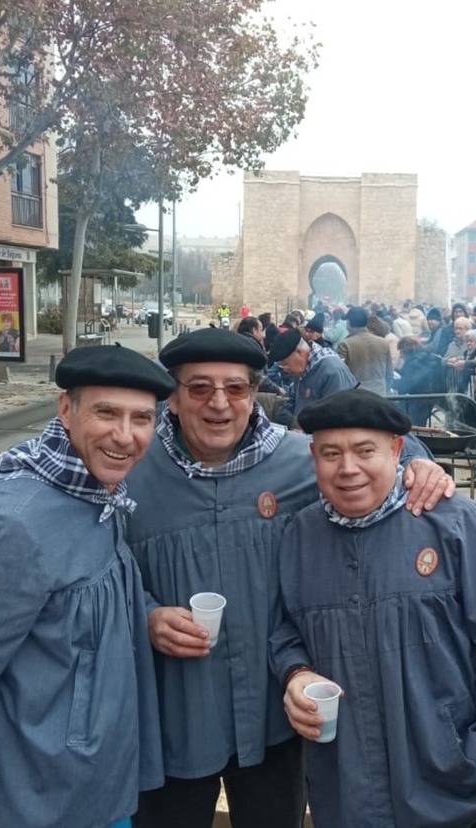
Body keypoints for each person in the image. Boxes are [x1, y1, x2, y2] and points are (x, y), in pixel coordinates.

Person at [124, 330, 454, 828]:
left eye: (235, 388)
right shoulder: (130, 474)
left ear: (254, 393)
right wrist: (146, 615)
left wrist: (424, 468)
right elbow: (100, 570)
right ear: (172, 396)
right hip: (177, 716)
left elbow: (378, 456)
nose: (219, 404)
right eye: (199, 388)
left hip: (277, 711)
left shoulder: (300, 460)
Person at [0, 345, 172, 828]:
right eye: (106, 412)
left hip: (92, 792)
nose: (125, 436)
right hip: (32, 805)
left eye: (142, 418)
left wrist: (146, 611)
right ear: (65, 410)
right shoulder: (11, 529)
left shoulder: (95, 493)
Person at [270, 389, 476, 828]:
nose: (348, 469)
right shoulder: (299, 537)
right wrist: (296, 671)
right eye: (331, 453)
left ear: (397, 450)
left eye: (365, 451)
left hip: (456, 795)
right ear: (313, 457)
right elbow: (285, 629)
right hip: (345, 795)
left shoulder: (454, 523)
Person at [269, 329, 357, 423]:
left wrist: (298, 424)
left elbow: (338, 415)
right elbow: (293, 399)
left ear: (299, 352)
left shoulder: (332, 369)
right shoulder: (302, 369)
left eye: (286, 364)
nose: (285, 369)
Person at [336, 306, 392, 395]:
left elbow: (339, 374)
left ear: (349, 323)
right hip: (379, 393)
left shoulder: (345, 345)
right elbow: (389, 373)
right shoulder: (383, 343)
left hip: (356, 395)